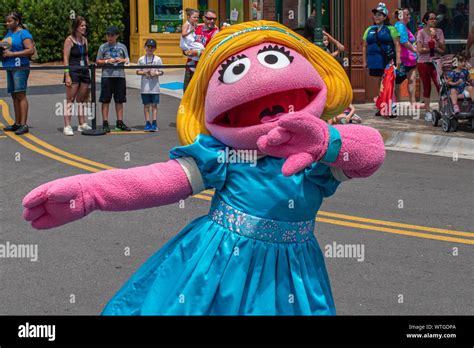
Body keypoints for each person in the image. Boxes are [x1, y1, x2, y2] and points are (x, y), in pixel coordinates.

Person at [22, 20, 385, 316]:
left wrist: (325, 143)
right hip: (217, 268)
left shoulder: (321, 153)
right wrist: (91, 193)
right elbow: (159, 181)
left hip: (293, 275)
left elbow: (371, 154)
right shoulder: (223, 155)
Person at [362, 3, 401, 114]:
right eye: (375, 14)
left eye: (380, 14)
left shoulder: (391, 29)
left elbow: (397, 44)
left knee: (389, 84)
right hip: (373, 61)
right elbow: (364, 46)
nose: (377, 16)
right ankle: (382, 107)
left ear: (385, 17)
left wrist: (398, 60)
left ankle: (392, 108)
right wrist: (364, 61)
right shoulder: (369, 29)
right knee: (380, 86)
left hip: (387, 60)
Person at [1, 12, 35, 135]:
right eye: (7, 21)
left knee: (21, 95)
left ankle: (23, 124)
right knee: (14, 95)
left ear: (17, 21)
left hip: (20, 67)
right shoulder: (9, 33)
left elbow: (30, 50)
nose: (7, 23)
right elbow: (5, 47)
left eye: (10, 21)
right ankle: (17, 123)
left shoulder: (23, 33)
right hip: (10, 66)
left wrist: (12, 54)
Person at [96, 26, 131, 133]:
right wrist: (107, 61)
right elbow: (97, 61)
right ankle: (105, 122)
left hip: (119, 75)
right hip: (107, 76)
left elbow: (128, 60)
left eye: (112, 35)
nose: (109, 37)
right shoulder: (103, 47)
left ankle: (119, 122)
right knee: (105, 100)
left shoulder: (122, 47)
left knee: (119, 100)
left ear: (117, 36)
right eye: (108, 35)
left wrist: (123, 60)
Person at [62, 16, 92, 136]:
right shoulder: (69, 40)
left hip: (84, 71)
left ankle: (82, 123)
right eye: (82, 25)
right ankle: (67, 125)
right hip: (73, 70)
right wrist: (67, 75)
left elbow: (86, 56)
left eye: (85, 25)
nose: (84, 27)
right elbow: (65, 57)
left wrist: (88, 69)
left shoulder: (84, 40)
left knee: (82, 99)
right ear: (76, 27)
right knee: (70, 99)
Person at [416, 11, 445, 121]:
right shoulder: (421, 33)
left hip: (436, 62)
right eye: (431, 19)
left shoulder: (440, 32)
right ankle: (427, 111)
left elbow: (443, 48)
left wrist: (436, 38)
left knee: (440, 85)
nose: (434, 21)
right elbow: (419, 49)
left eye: (435, 18)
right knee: (427, 86)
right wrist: (432, 49)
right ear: (426, 21)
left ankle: (442, 109)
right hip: (424, 62)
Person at [183, 9, 219, 92]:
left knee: (201, 96)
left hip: (204, 69)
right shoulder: (196, 28)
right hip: (190, 67)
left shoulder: (215, 33)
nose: (212, 21)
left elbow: (213, 52)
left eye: (214, 19)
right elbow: (186, 42)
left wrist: (197, 53)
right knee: (187, 94)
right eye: (209, 18)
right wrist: (186, 51)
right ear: (203, 18)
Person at [136, 39, 163, 132]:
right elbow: (137, 71)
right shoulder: (141, 59)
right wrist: (144, 72)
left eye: (152, 47)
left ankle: (154, 123)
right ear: (145, 47)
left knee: (154, 105)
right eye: (148, 47)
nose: (150, 49)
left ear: (155, 48)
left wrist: (156, 73)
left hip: (155, 87)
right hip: (145, 87)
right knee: (146, 105)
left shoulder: (158, 59)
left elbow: (162, 71)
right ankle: (148, 123)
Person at [394, 8, 418, 108]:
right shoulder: (400, 26)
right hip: (403, 59)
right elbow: (403, 41)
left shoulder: (404, 26)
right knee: (397, 81)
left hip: (410, 59)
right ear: (401, 16)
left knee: (411, 80)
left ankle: (412, 103)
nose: (409, 16)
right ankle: (396, 102)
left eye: (409, 15)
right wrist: (415, 50)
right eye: (407, 15)